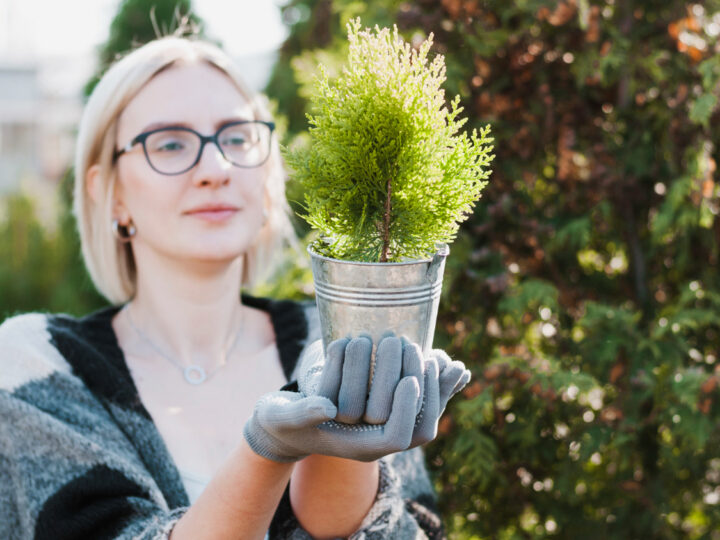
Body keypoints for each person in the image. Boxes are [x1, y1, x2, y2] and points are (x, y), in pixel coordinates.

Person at [0, 34, 470, 540]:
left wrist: (347, 455)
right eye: (171, 143)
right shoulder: (38, 367)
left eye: (237, 138)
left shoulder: (333, 343)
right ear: (107, 193)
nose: (216, 169)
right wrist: (267, 453)